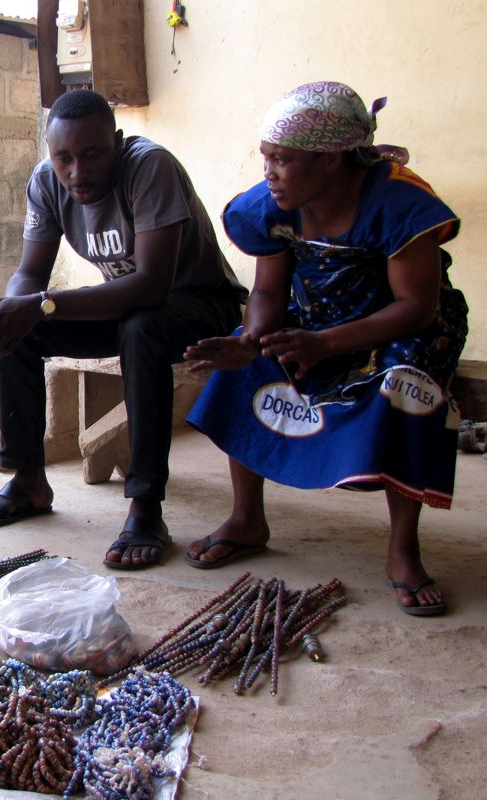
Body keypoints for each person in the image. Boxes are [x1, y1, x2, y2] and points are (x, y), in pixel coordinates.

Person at [183, 81, 468, 616]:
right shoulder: (274, 205)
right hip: (315, 318)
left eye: (284, 160)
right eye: (266, 157)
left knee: (408, 384)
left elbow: (416, 307)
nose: (269, 172)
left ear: (333, 160)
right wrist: (250, 341)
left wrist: (324, 344)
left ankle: (402, 549)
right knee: (248, 369)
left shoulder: (400, 203)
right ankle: (248, 518)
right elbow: (267, 291)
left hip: (398, 327)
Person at [0, 88, 246, 570]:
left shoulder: (149, 167)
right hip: (129, 308)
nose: (77, 171)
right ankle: (29, 478)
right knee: (19, 328)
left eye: (92, 154)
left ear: (116, 142)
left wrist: (41, 304)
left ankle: (145, 506)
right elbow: (30, 275)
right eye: (65, 159)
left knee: (141, 328)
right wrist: (14, 308)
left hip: (201, 304)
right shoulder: (46, 181)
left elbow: (153, 287)